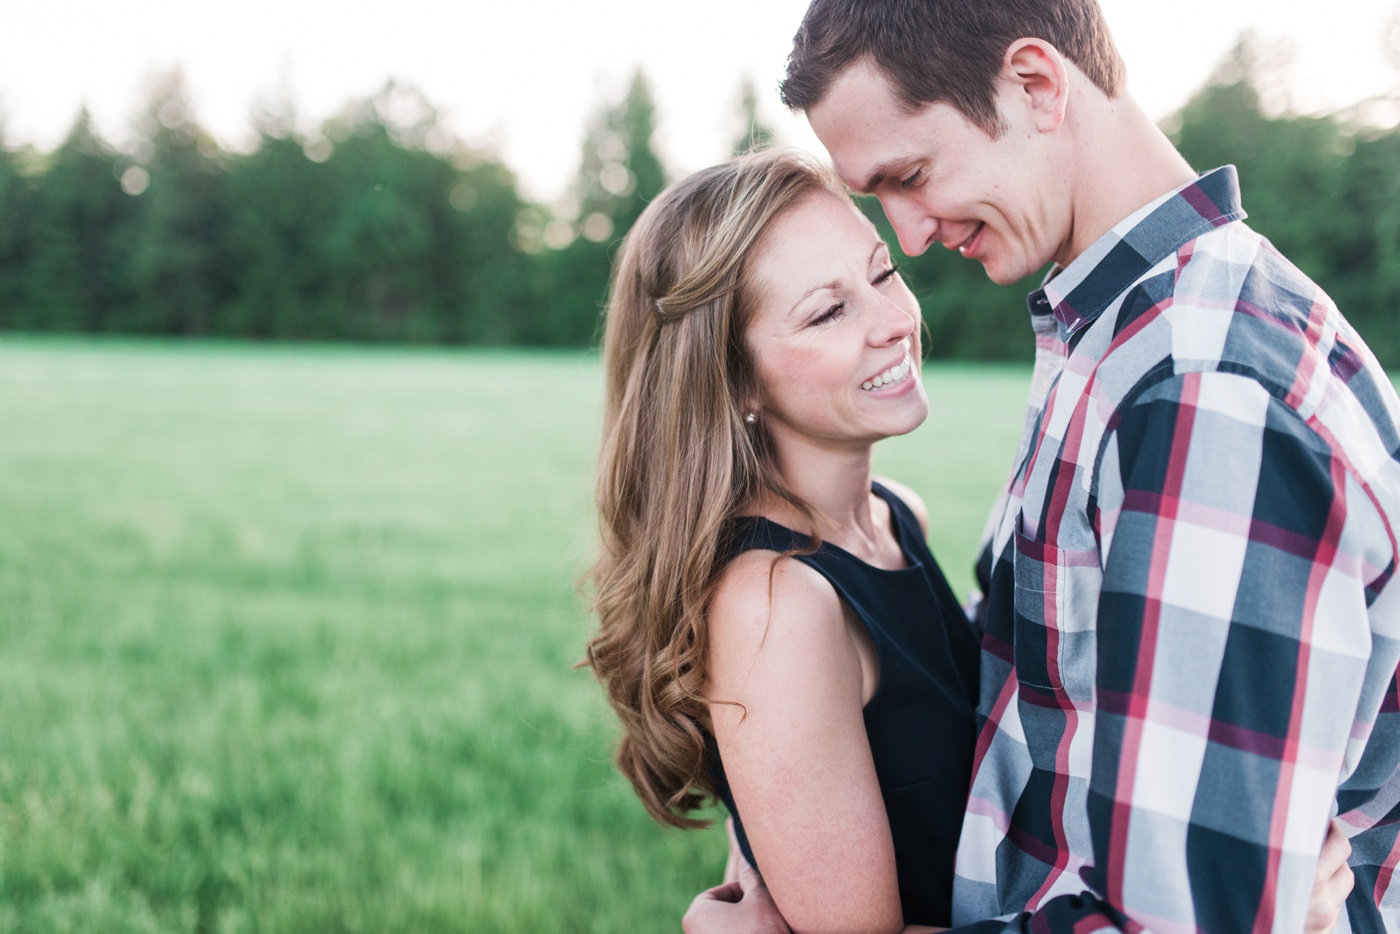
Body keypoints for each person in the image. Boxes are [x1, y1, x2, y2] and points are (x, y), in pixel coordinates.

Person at [683, 0, 1400, 932]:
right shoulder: (1114, 342)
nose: (910, 238)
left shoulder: (1199, 390)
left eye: (911, 175)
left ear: (1034, 84)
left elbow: (1185, 922)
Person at [586, 146, 981, 930]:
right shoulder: (777, 605)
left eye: (882, 273)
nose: (897, 321)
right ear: (734, 380)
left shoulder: (897, 517)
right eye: (829, 311)